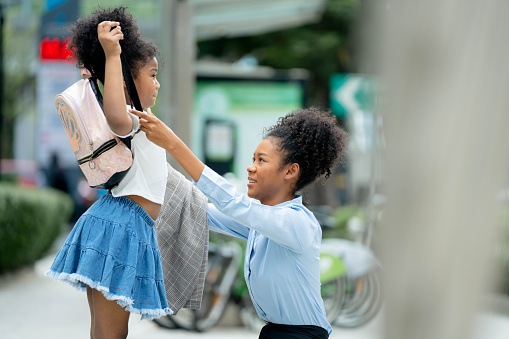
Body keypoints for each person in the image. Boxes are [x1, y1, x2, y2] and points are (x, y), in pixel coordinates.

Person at [130, 106, 348, 339]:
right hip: (274, 332)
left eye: (261, 160)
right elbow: (198, 209)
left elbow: (233, 204)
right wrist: (139, 162)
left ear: (291, 171)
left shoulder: (298, 222)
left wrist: (173, 144)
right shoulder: (261, 221)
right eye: (253, 158)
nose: (250, 167)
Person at [45, 7, 170, 338]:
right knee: (111, 335)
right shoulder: (130, 118)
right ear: (128, 80)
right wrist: (113, 55)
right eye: (153, 74)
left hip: (123, 225)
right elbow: (116, 116)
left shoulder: (145, 122)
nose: (157, 83)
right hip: (121, 228)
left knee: (107, 334)